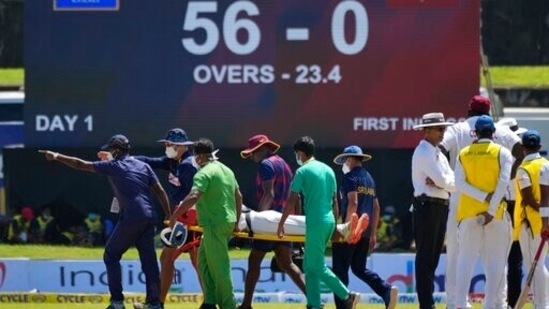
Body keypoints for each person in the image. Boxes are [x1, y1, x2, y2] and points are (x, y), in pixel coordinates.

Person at [40, 134, 171, 309]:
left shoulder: (115, 166)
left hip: (132, 216)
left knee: (111, 255)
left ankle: (117, 302)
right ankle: (154, 304)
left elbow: (81, 164)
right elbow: (161, 191)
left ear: (116, 151)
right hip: (149, 216)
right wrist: (169, 216)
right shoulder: (143, 165)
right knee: (149, 261)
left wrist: (56, 156)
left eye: (110, 150)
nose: (108, 153)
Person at [439, 95, 523, 309]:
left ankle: (456, 303)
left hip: (463, 204)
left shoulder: (458, 132)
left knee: (458, 257)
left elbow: (439, 148)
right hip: (497, 205)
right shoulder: (502, 133)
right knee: (496, 259)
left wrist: (439, 177)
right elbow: (521, 152)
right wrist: (505, 185)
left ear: (469, 113)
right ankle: (496, 303)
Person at [277, 136, 360, 309]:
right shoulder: (329, 170)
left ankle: (347, 295)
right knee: (309, 265)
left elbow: (292, 200)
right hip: (329, 220)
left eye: (296, 154)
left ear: (300, 153)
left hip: (315, 222)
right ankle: (314, 304)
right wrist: (335, 225)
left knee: (316, 265)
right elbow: (335, 201)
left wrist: (281, 223)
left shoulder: (302, 171)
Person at [134, 128, 202, 308]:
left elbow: (196, 196)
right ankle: (210, 303)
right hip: (184, 218)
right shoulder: (173, 162)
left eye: (169, 144)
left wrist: (179, 217)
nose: (166, 147)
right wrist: (123, 160)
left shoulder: (187, 165)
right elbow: (148, 161)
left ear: (180, 146)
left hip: (188, 218)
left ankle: (157, 304)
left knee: (167, 259)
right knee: (197, 262)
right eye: (165, 144)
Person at [170, 138, 242, 309]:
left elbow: (194, 196)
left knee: (219, 266)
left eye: (195, 156)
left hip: (213, 224)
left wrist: (175, 215)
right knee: (203, 262)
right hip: (225, 222)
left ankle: (229, 304)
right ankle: (210, 301)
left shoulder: (203, 173)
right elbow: (238, 196)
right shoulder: (227, 170)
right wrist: (237, 222)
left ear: (200, 157)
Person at [238, 134, 306, 309]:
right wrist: (295, 222)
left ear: (263, 149)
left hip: (269, 222)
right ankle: (315, 299)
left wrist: (256, 221)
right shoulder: (285, 165)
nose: (252, 156)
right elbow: (295, 197)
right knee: (287, 264)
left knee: (254, 261)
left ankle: (246, 305)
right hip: (285, 222)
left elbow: (269, 194)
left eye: (253, 152)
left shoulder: (266, 164)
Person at [454, 116, 513, 309]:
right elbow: (503, 183)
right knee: (496, 261)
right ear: (493, 133)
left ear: (475, 133)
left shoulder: (464, 153)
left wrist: (482, 197)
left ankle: (460, 304)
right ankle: (490, 305)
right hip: (497, 214)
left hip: (469, 212)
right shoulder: (502, 152)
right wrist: (491, 208)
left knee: (465, 260)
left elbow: (460, 185)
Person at [331, 145, 398, 309]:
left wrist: (347, 229)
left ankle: (345, 303)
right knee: (358, 268)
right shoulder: (369, 179)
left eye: (345, 160)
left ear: (350, 159)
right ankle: (385, 290)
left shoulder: (349, 178)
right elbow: (376, 207)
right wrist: (373, 234)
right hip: (365, 232)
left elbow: (353, 202)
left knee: (340, 270)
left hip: (351, 230)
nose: (344, 164)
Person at [411, 113, 455, 309]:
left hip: (439, 206)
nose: (443, 132)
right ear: (426, 131)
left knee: (433, 258)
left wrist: (443, 184)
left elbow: (450, 180)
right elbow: (446, 180)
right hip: (427, 206)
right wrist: (444, 183)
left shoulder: (437, 153)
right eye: (439, 128)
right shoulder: (424, 152)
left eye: (443, 128)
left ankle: (427, 303)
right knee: (426, 259)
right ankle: (426, 305)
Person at [514, 130, 549, 309]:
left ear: (522, 148)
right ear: (540, 147)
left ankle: (541, 305)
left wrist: (545, 215)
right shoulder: (547, 164)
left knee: (533, 266)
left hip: (531, 225)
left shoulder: (523, 169)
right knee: (539, 265)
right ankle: (543, 304)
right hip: (544, 224)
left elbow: (529, 200)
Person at [496, 117, 527, 308]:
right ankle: (506, 301)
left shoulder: (513, 156)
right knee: (507, 259)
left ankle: (511, 302)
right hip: (506, 205)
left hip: (513, 206)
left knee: (513, 259)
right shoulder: (503, 154)